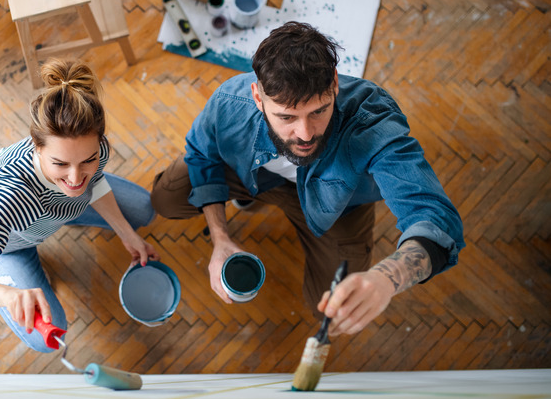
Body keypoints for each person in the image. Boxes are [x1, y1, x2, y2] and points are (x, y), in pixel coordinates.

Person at [150, 21, 464, 336]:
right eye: (286, 117)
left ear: (334, 85)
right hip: (257, 176)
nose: (305, 135)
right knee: (166, 198)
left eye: (318, 111)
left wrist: (388, 276)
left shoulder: (372, 120)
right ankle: (250, 193)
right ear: (258, 97)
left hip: (339, 207)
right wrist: (219, 237)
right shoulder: (231, 102)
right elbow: (202, 155)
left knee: (331, 310)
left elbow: (435, 218)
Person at [0, 59, 158, 352]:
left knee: (144, 209)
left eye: (88, 160)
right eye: (60, 163)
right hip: (11, 242)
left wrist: (125, 232)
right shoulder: (7, 196)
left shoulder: (95, 149)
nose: (75, 178)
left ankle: (68, 213)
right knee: (48, 338)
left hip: (52, 213)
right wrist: (7, 295)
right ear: (36, 146)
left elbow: (92, 183)